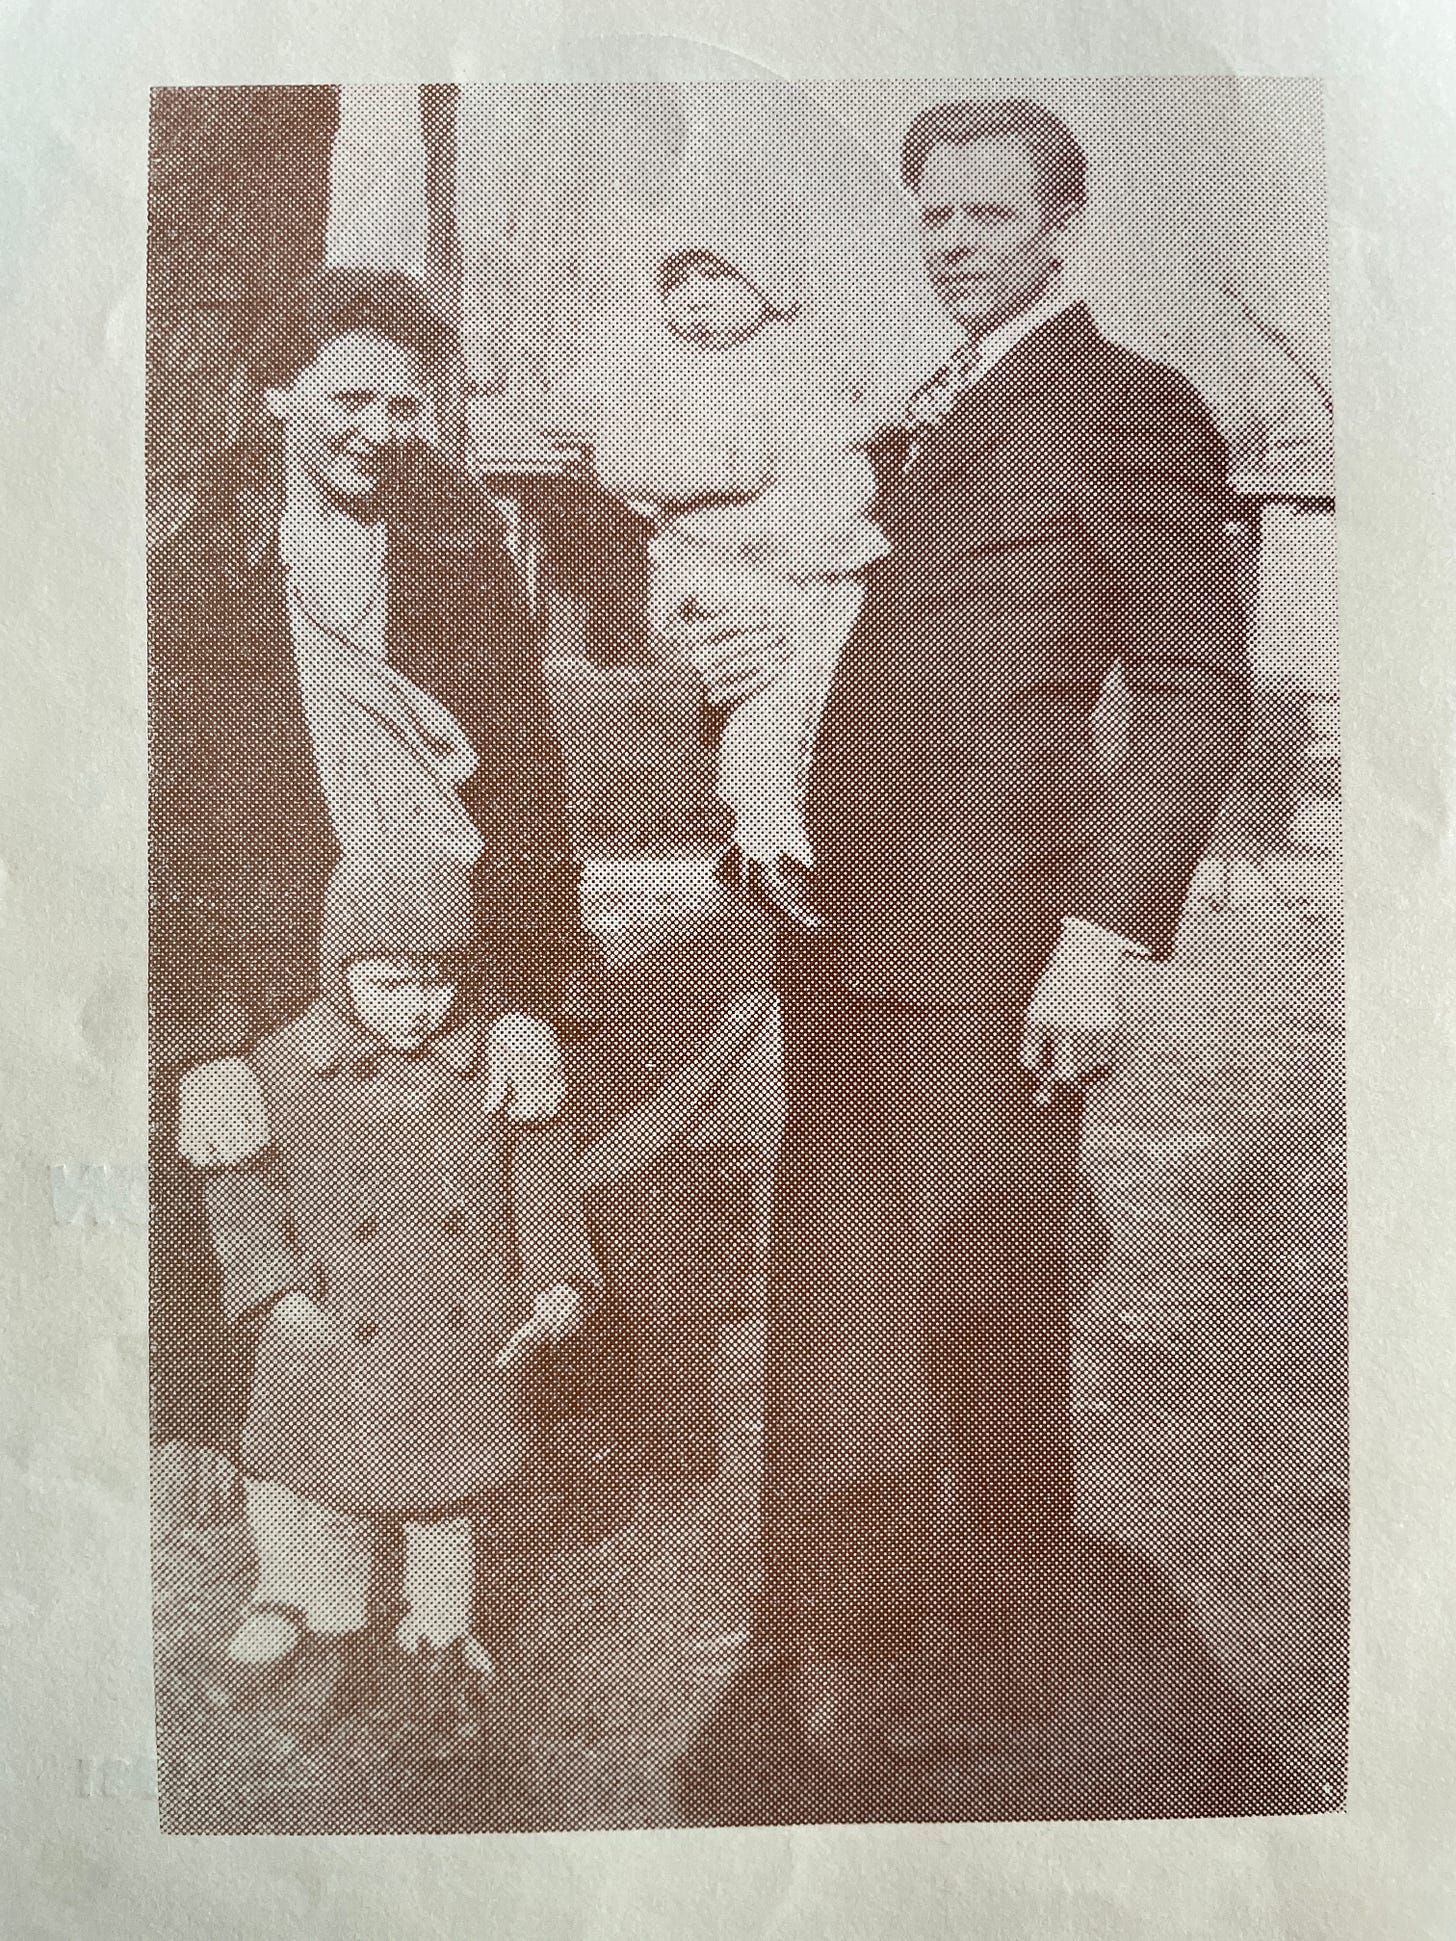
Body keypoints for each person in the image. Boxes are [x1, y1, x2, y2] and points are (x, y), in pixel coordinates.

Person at [667, 98, 1252, 1747]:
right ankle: (845, 1658)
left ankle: (974, 1664)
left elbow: (1197, 690)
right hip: (840, 942)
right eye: (934, 213)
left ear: (1064, 226)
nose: (954, 241)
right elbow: (822, 623)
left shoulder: (1128, 407)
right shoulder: (899, 412)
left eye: (989, 214)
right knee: (842, 1306)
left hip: (990, 963)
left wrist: (1096, 939)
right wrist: (725, 666)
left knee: (974, 1313)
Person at [149, 266, 590, 1453]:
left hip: (434, 959)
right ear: (280, 393)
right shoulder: (202, 555)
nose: (379, 433)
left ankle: (438, 1518)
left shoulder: (455, 538)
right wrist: (201, 1040)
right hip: (273, 962)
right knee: (272, 1239)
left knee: (446, 1234)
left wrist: (532, 1002)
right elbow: (164, 820)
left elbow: (526, 787)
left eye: (403, 406)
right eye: (351, 399)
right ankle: (276, 1523)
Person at [177, 857, 603, 1724]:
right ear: (339, 968)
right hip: (329, 1323)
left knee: (442, 1493)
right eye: (388, 983)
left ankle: (436, 1637)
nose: (416, 1006)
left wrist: (560, 1277)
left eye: (437, 981)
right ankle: (333, 1625)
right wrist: (277, 1294)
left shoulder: (494, 1058)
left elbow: (542, 1177)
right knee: (328, 1484)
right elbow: (241, 1189)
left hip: (455, 1325)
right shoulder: (278, 1068)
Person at [570, 216, 919, 913]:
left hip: (827, 562)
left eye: (717, 276)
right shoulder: (663, 370)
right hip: (727, 565)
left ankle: (779, 836)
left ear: (767, 285)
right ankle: (762, 837)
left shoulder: (808, 355)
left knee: (830, 690)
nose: (693, 296)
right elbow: (615, 455)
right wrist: (716, 466)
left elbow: (873, 406)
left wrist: (879, 420)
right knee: (769, 692)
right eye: (677, 282)